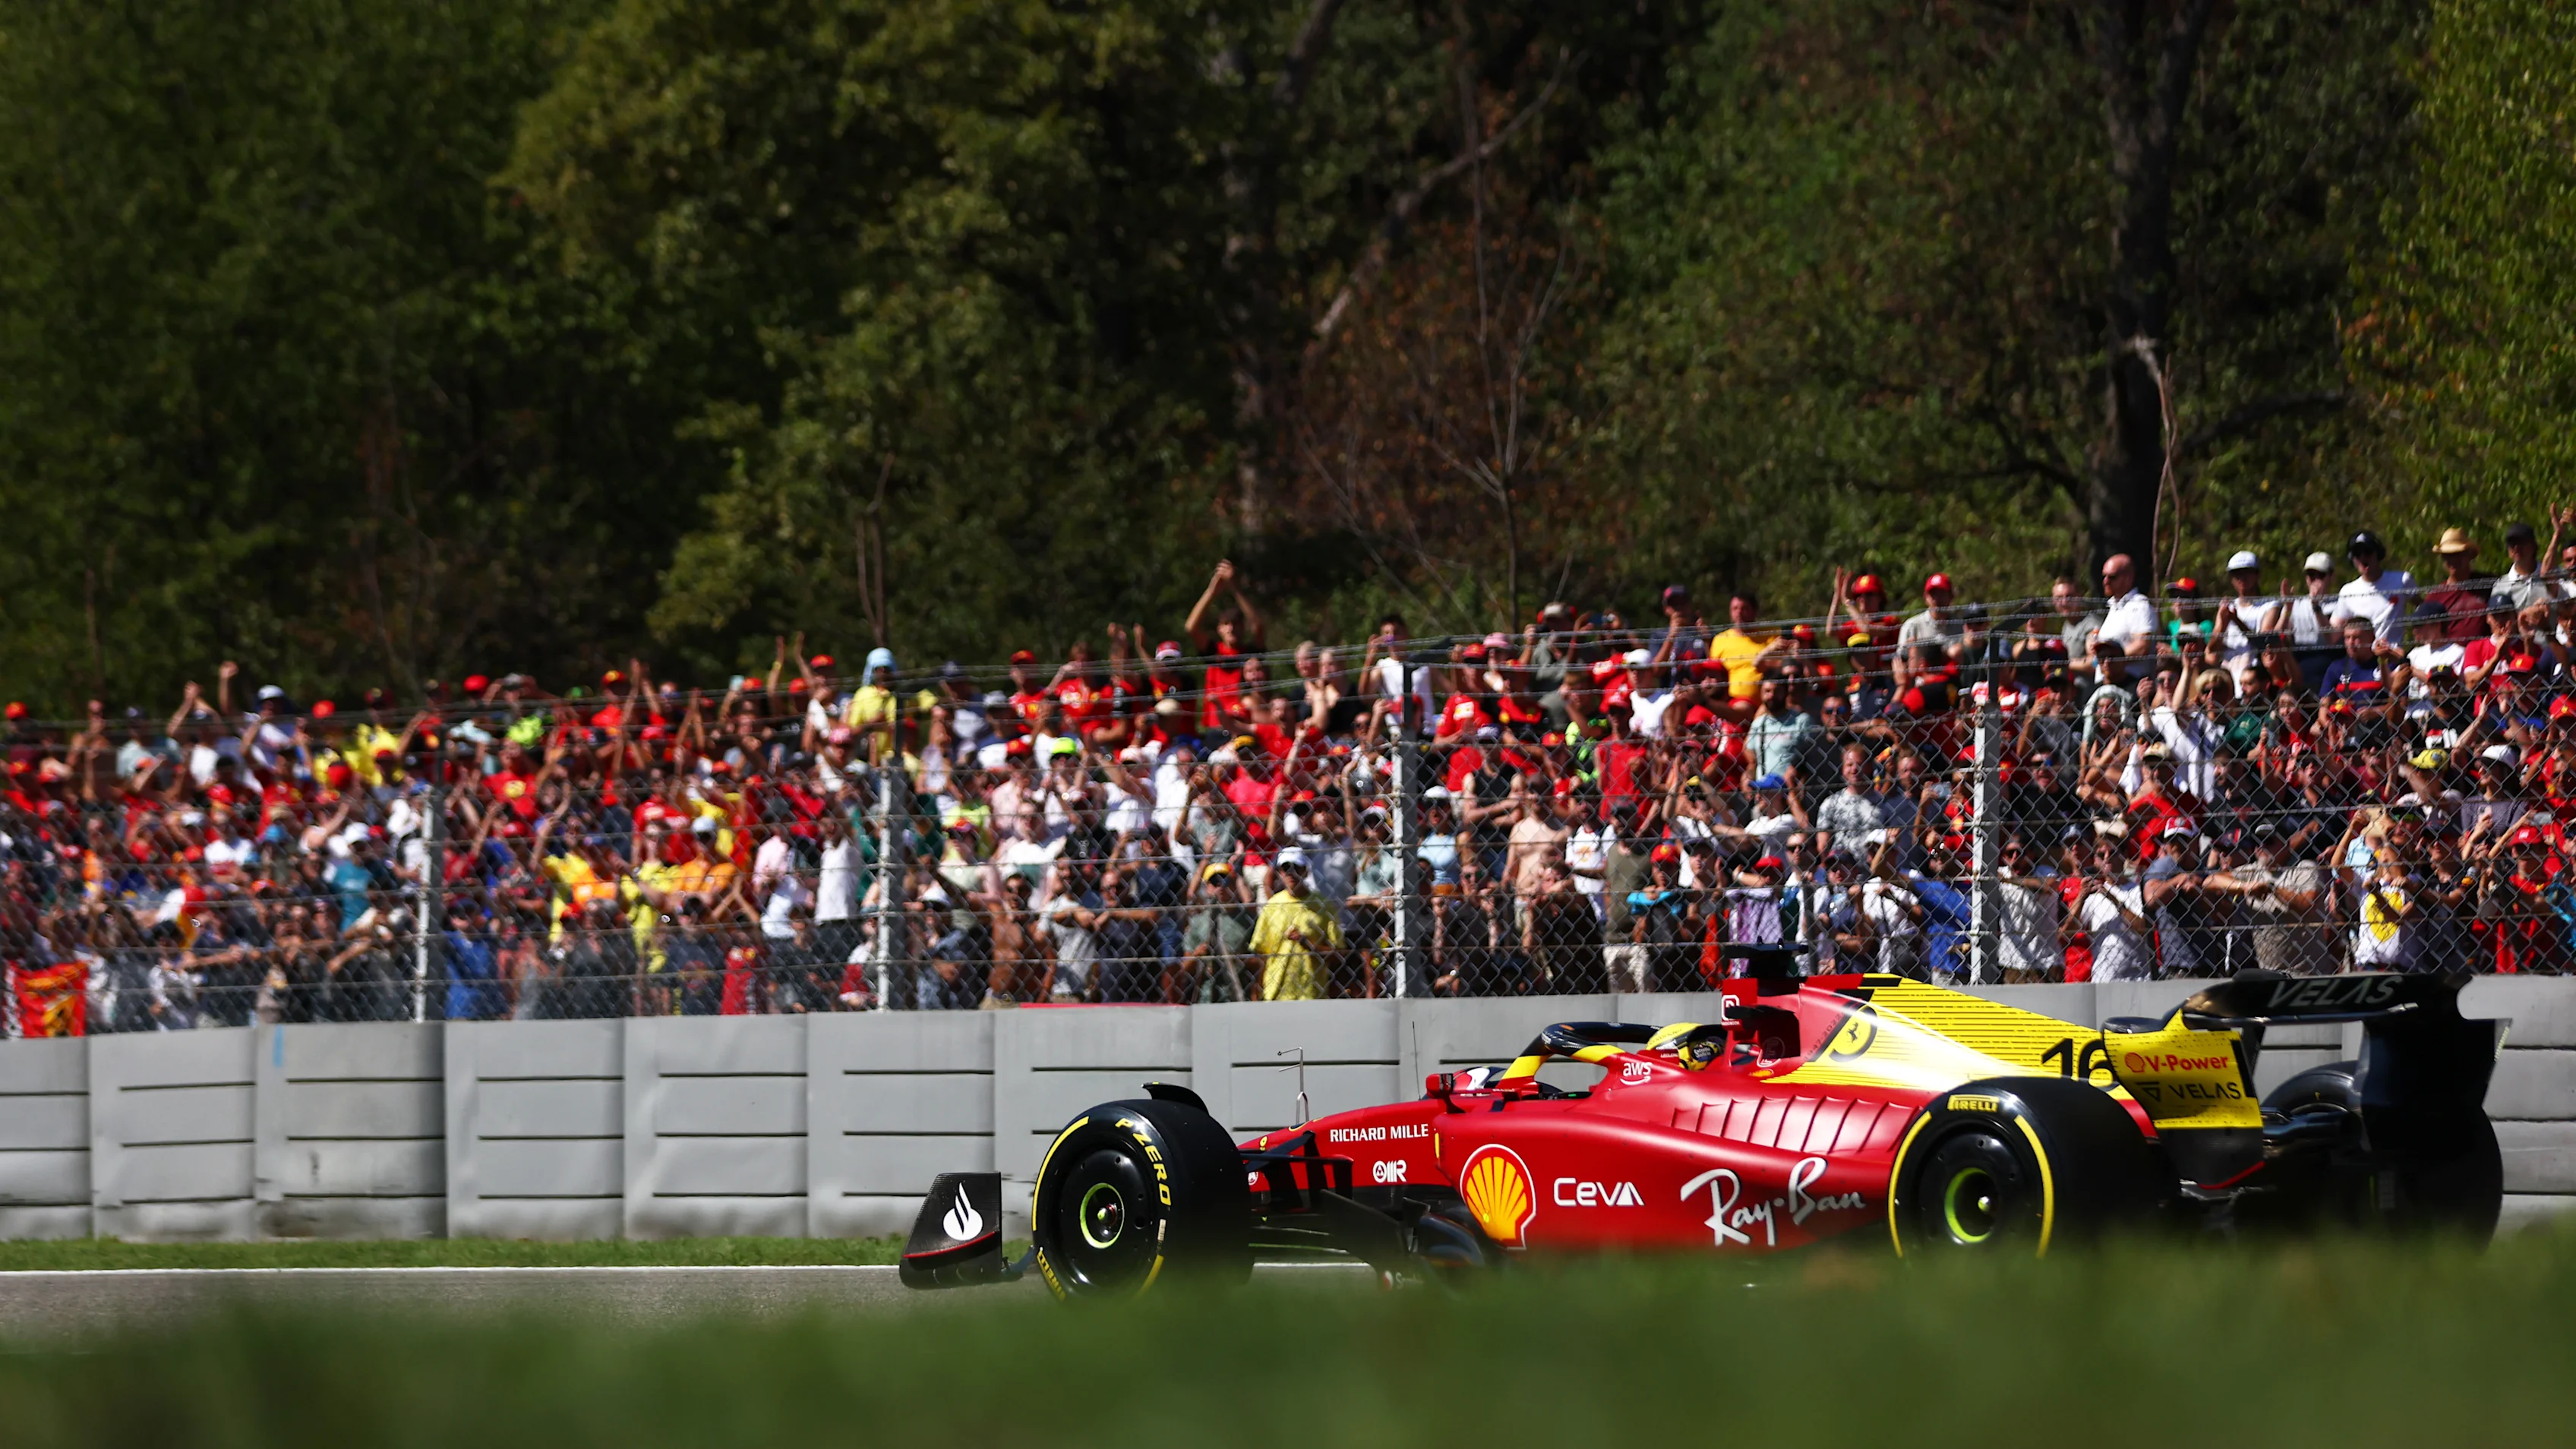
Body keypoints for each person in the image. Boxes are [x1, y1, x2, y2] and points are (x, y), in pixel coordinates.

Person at [1250, 849, 1343, 1000]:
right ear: (1280, 873)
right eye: (1286, 868)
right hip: (1276, 993)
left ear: (1306, 871)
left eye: (1296, 868)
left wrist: (1311, 946)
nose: (1290, 873)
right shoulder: (1272, 905)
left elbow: (1338, 953)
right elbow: (1262, 955)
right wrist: (1257, 992)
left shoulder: (1323, 905)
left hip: (1311, 992)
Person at [2332, 529, 2417, 648]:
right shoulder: (2348, 591)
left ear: (2378, 553)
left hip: (2393, 657)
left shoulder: (2402, 580)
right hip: (2363, 660)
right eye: (2357, 554)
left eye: (2367, 552)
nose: (2363, 557)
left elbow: (2422, 608)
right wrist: (2316, 607)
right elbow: (2333, 634)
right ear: (2352, 559)